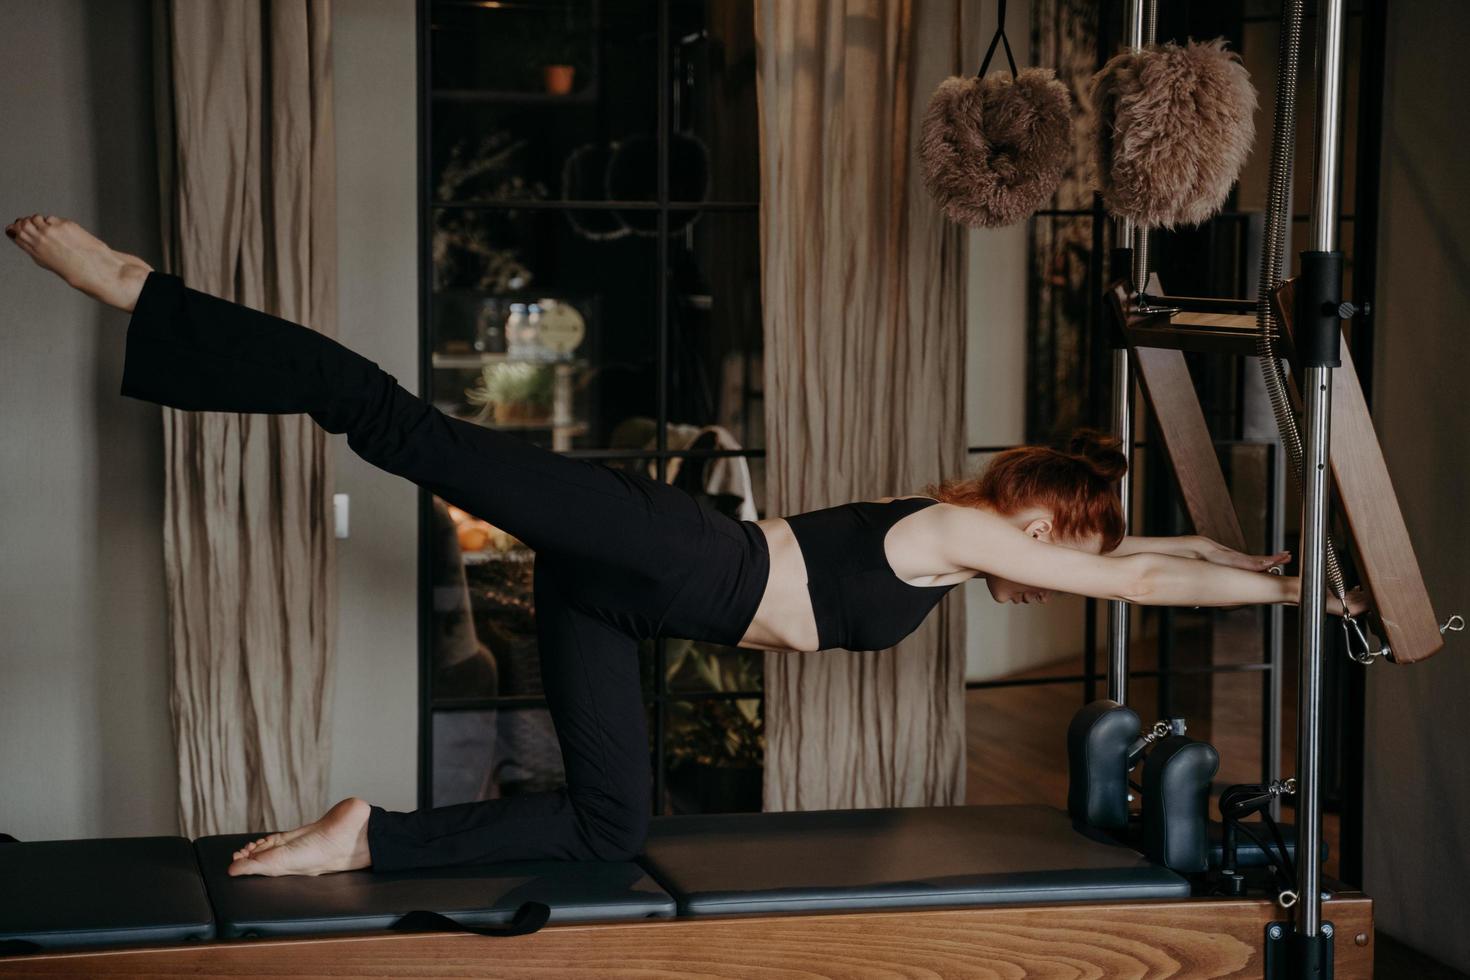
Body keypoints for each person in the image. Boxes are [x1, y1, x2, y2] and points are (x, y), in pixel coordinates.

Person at [5, 214, 1364, 879]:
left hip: (636, 596)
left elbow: (1146, 549)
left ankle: (372, 833)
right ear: (1031, 517)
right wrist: (1302, 588)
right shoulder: (950, 530)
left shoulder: (954, 554)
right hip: (670, 551)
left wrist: (1266, 567)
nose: (1054, 566)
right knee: (395, 421)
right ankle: (137, 290)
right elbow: (1127, 570)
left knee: (611, 833)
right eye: (1060, 541)